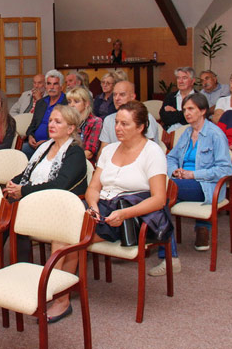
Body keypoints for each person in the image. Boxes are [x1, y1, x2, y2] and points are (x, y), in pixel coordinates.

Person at [79, 101, 167, 321]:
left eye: (124, 124)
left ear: (141, 127)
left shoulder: (152, 152)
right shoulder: (109, 150)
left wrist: (124, 214)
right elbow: (93, 188)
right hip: (101, 207)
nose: (117, 128)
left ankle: (59, 294)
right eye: (117, 122)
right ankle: (60, 288)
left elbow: (159, 199)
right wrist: (92, 206)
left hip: (129, 215)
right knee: (65, 230)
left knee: (73, 237)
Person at [150, 93, 232, 276]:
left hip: (205, 186)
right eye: (184, 109)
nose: (186, 113)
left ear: (203, 111)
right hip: (181, 182)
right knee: (160, 200)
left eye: (191, 109)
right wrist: (175, 171)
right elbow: (171, 157)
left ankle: (168, 255)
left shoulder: (215, 134)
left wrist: (193, 174)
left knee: (159, 193)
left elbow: (225, 169)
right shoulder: (187, 132)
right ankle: (169, 257)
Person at [2, 105, 87, 274]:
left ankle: (13, 263)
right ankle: (19, 265)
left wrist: (23, 190)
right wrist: (13, 183)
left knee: (14, 209)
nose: (51, 125)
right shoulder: (46, 146)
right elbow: (28, 172)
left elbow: (59, 185)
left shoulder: (75, 152)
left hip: (60, 205)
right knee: (11, 204)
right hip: (37, 198)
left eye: (57, 122)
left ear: (70, 129)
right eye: (50, 121)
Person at [98, 80, 159, 157]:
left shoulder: (145, 118)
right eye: (114, 95)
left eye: (122, 95)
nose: (117, 98)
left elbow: (149, 151)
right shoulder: (108, 120)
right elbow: (103, 152)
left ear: (132, 97)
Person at [22, 70, 66, 158]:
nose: (51, 87)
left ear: (61, 87)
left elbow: (65, 132)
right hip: (34, 144)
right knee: (21, 151)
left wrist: (47, 142)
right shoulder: (41, 103)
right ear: (46, 86)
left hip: (54, 144)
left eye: (55, 84)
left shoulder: (66, 104)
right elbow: (32, 125)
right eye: (49, 84)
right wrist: (30, 136)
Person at [66, 87, 102, 163]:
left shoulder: (95, 121)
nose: (72, 105)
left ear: (86, 104)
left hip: (84, 163)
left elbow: (89, 153)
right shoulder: (67, 121)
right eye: (69, 102)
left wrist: (68, 160)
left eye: (76, 101)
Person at [160, 67, 197, 132]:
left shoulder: (199, 98)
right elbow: (164, 118)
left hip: (192, 132)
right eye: (178, 78)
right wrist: (183, 114)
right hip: (170, 133)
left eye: (184, 78)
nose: (180, 81)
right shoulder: (170, 97)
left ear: (193, 81)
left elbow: (196, 118)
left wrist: (175, 112)